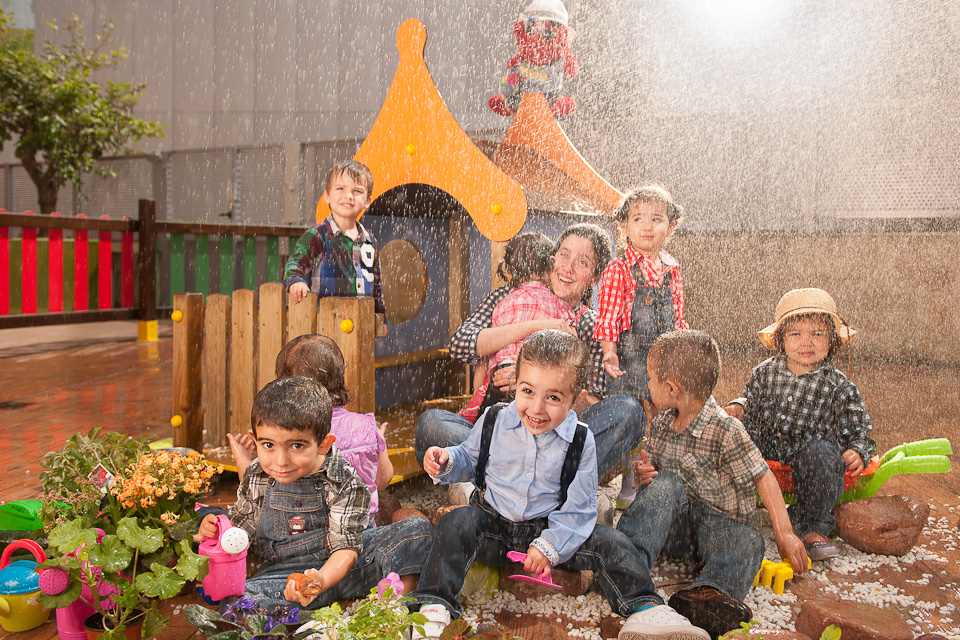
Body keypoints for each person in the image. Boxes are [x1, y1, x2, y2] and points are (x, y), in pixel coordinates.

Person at [410, 330, 693, 640]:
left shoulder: (581, 440)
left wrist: (549, 546)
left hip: (550, 530)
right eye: (528, 391)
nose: (537, 408)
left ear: (575, 399)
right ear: (515, 384)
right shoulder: (494, 420)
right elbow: (468, 457)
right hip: (492, 524)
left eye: (554, 397)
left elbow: (579, 509)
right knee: (454, 523)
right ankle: (435, 604)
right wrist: (446, 460)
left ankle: (644, 606)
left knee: (612, 542)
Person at [415, 223, 644, 487]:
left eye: (582, 262)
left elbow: (594, 399)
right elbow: (461, 344)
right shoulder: (511, 296)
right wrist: (536, 327)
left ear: (594, 277)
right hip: (498, 434)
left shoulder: (591, 325)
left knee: (628, 411)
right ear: (552, 259)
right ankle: (525, 484)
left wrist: (535, 385)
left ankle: (498, 481)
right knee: (431, 423)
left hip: (553, 442)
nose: (568, 268)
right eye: (564, 255)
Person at [616, 330, 808, 640]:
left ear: (672, 388)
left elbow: (763, 477)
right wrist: (645, 477)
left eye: (651, 379)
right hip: (677, 528)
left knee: (750, 541)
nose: (647, 386)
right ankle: (624, 560)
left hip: (718, 530)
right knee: (665, 484)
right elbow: (659, 486)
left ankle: (710, 595)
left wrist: (785, 533)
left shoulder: (726, 430)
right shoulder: (663, 424)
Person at [195, 377, 433, 611]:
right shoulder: (257, 476)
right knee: (237, 602)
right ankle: (298, 620)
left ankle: (399, 600)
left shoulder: (343, 480)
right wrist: (219, 530)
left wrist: (320, 580)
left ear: (324, 444)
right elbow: (240, 533)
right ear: (255, 439)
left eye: (296, 445)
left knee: (416, 530)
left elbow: (347, 549)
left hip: (353, 569)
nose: (280, 461)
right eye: (268, 445)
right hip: (286, 578)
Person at [725, 288, 876, 561]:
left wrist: (859, 450)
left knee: (823, 454)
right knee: (734, 436)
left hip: (809, 454)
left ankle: (811, 527)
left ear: (832, 340)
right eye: (796, 334)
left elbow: (860, 431)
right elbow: (750, 402)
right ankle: (728, 509)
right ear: (782, 339)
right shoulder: (765, 373)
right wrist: (739, 407)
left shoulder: (839, 386)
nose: (807, 342)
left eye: (817, 334)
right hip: (769, 446)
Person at [229, 334, 394, 523]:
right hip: (359, 532)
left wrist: (243, 460)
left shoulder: (293, 432)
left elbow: (261, 490)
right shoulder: (365, 427)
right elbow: (382, 481)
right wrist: (378, 443)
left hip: (299, 530)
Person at [593, 184, 688, 509]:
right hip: (629, 361)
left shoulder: (671, 270)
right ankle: (630, 481)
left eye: (657, 219)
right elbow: (607, 316)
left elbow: (678, 318)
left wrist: (683, 351)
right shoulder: (619, 269)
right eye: (638, 218)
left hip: (663, 362)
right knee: (635, 423)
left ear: (671, 226)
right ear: (624, 227)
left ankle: (657, 477)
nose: (647, 226)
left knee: (664, 420)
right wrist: (608, 351)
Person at [459, 231, 574, 421]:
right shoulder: (560, 305)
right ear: (549, 270)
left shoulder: (502, 303)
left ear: (509, 271)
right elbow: (569, 343)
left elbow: (487, 356)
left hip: (500, 380)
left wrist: (479, 393)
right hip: (539, 383)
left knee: (485, 429)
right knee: (531, 426)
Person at [283, 159, 386, 335]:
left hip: (361, 323)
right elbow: (295, 262)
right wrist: (296, 280)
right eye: (340, 189)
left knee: (357, 361)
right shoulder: (319, 234)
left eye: (357, 191)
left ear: (368, 201)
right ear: (327, 195)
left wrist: (380, 316)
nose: (349, 196)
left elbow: (376, 283)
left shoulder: (369, 241)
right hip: (326, 321)